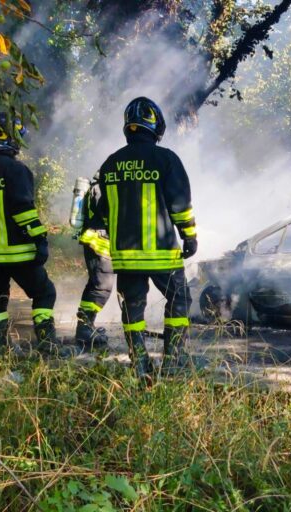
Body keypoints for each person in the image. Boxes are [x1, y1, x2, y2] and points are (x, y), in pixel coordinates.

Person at [96, 97, 198, 382]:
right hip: (161, 253)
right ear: (156, 126)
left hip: (126, 257)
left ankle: (140, 364)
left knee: (132, 307)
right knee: (180, 299)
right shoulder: (166, 159)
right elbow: (181, 203)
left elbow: (104, 210)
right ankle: (173, 359)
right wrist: (189, 236)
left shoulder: (110, 164)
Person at [0, 112, 73, 357]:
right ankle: (48, 344)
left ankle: (1, 348)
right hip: (20, 253)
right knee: (45, 292)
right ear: (11, 136)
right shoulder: (16, 169)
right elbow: (24, 210)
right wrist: (40, 240)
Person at [73, 172, 112, 350]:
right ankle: (84, 329)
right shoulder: (100, 189)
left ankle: (86, 326)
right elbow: (108, 216)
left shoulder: (95, 187)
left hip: (95, 241)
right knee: (101, 287)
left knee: (95, 284)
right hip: (99, 243)